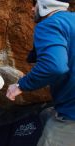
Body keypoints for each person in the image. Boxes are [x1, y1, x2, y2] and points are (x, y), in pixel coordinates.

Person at [6, 0, 75, 145]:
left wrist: (20, 86)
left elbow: (54, 66)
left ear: (45, 3)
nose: (31, 9)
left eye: (34, 4)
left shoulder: (49, 24)